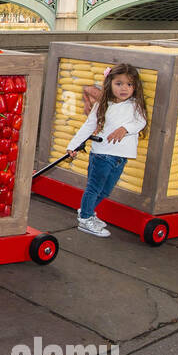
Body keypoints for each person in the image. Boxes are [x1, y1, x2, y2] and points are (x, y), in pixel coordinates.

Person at [65, 63, 149, 236]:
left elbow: (141, 122)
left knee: (105, 190)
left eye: (129, 84)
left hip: (121, 157)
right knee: (94, 188)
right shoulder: (103, 105)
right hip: (102, 155)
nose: (124, 88)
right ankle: (86, 219)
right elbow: (88, 127)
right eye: (119, 83)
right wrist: (73, 146)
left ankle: (86, 212)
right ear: (110, 83)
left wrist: (124, 129)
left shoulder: (135, 105)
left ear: (135, 87)